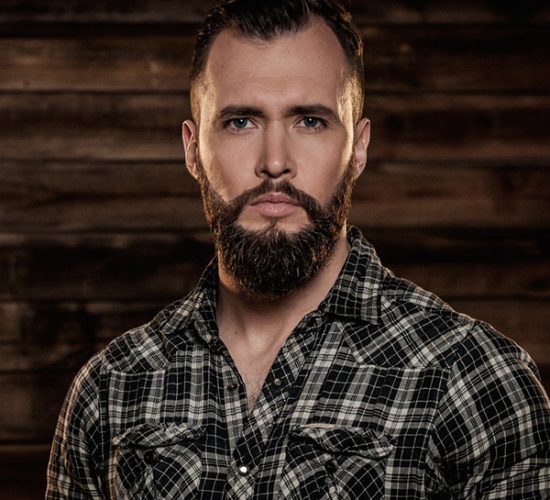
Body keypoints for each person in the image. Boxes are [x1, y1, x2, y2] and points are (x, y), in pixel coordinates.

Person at [46, 0, 550, 498]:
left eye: (309, 121)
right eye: (240, 122)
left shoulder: (475, 378)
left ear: (358, 147)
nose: (274, 162)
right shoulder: (112, 386)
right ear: (192, 149)